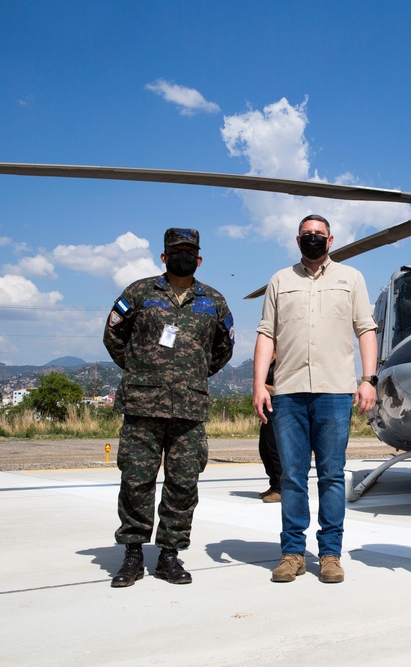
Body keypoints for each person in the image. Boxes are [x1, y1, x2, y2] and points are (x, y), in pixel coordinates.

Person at [104, 227, 235, 587]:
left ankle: (169, 555)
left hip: (189, 410)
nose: (182, 256)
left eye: (188, 251)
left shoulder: (214, 301)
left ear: (199, 258)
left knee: (182, 485)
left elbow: (223, 349)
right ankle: (132, 554)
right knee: (135, 481)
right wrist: (140, 369)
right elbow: (113, 335)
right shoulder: (139, 292)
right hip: (143, 405)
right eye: (175, 251)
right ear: (164, 257)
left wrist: (193, 375)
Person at [253, 214, 377, 584]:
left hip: (335, 391)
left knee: (332, 476)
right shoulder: (280, 280)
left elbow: (366, 330)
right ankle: (292, 553)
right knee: (291, 477)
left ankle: (329, 554)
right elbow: (266, 335)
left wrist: (368, 380)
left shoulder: (351, 279)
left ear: (331, 239)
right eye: (307, 234)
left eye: (318, 234)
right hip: (288, 391)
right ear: (297, 240)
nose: (312, 239)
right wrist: (260, 384)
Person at [257, 354, 282, 503]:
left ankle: (281, 488)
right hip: (267, 411)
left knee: (275, 451)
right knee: (265, 450)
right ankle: (273, 484)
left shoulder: (281, 362)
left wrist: (261, 385)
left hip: (278, 410)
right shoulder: (268, 363)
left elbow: (279, 389)